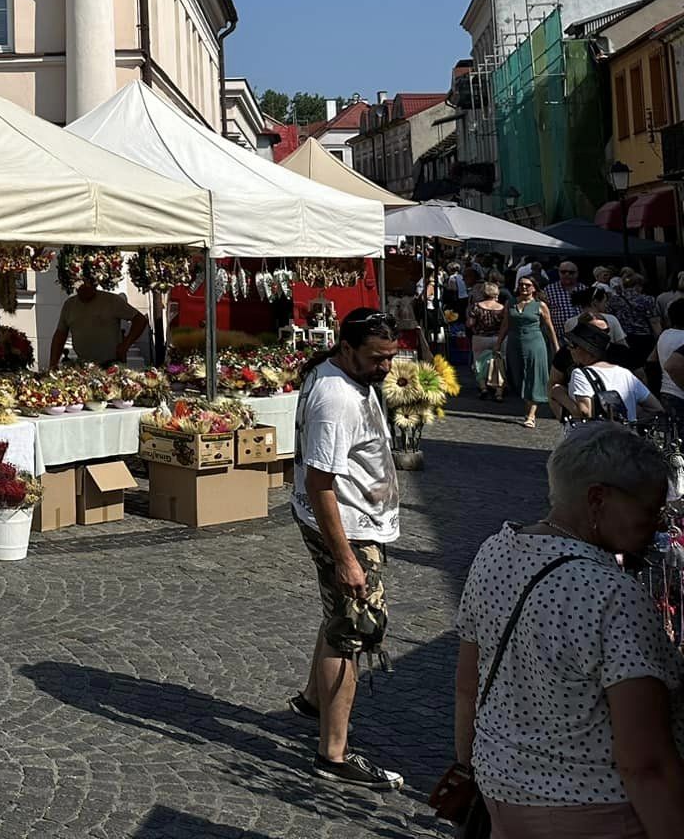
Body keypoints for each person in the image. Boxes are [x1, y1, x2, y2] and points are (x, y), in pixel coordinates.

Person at [453, 422, 684, 837]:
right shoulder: (612, 596)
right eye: (650, 511)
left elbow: (468, 686)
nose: (657, 526)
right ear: (598, 500)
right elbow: (644, 763)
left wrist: (472, 766)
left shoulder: (494, 551)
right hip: (595, 810)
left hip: (501, 794)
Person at [289, 307, 404, 789]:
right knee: (353, 629)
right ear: (347, 348)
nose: (386, 368)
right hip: (347, 528)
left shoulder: (335, 373)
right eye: (376, 358)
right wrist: (346, 558)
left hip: (356, 520)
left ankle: (315, 700)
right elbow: (320, 483)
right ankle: (333, 753)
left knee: (338, 612)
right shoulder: (335, 397)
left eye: (390, 357)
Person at [552, 322, 652, 424]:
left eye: (572, 344)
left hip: (597, 437)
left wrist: (559, 394)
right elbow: (655, 407)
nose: (568, 348)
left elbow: (585, 412)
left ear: (586, 349)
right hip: (626, 437)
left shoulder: (580, 374)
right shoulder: (626, 374)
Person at [498, 274, 559, 429]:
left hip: (534, 343)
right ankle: (528, 407)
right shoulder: (510, 303)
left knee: (533, 376)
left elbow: (549, 327)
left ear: (534, 287)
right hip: (514, 343)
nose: (524, 287)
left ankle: (531, 414)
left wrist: (556, 347)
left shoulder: (540, 305)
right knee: (517, 377)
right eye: (521, 284)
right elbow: (505, 324)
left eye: (527, 285)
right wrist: (497, 344)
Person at [49, 275, 148, 368]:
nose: (85, 287)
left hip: (111, 364)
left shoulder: (111, 300)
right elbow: (60, 335)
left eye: (88, 283)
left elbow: (140, 320)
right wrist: (53, 365)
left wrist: (126, 345)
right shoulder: (69, 305)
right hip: (83, 365)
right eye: (81, 284)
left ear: (94, 284)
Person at [467, 282, 508, 400]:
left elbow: (470, 323)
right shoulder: (502, 308)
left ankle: (483, 387)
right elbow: (506, 325)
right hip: (498, 338)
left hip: (480, 338)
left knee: (478, 363)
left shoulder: (476, 306)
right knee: (499, 363)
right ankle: (499, 391)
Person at [650, 297, 684, 424]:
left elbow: (651, 360)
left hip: (665, 392)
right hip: (680, 395)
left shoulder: (665, 335)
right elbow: (672, 366)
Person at [542, 260, 580, 333]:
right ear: (559, 273)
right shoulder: (549, 290)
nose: (567, 274)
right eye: (563, 272)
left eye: (571, 272)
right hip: (559, 335)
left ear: (577, 273)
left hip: (581, 336)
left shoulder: (584, 289)